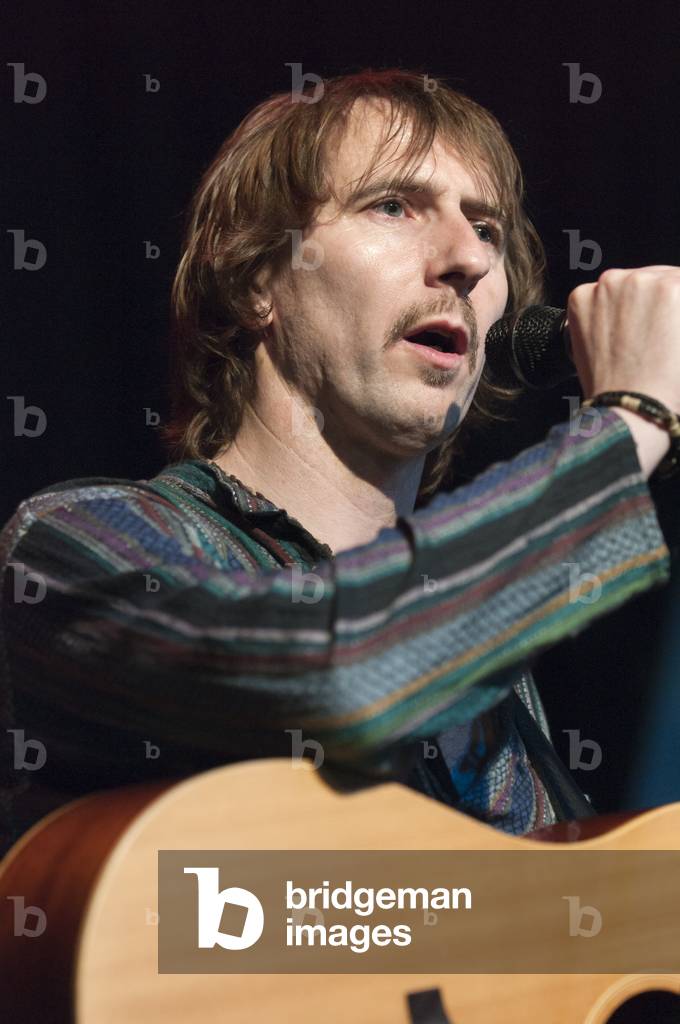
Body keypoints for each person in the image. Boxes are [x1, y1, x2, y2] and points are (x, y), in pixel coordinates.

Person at [0, 69, 677, 855]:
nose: (468, 259)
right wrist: (633, 421)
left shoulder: (500, 682)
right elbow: (333, 680)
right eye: (393, 205)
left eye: (487, 228)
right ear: (258, 276)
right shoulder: (72, 545)